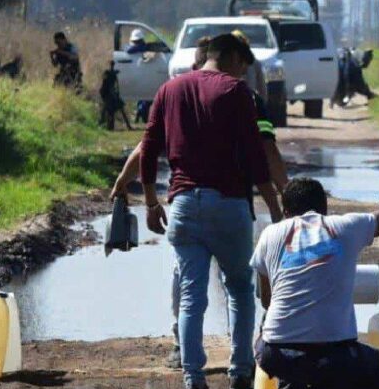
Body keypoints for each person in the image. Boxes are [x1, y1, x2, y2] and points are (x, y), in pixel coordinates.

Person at [112, 34, 288, 370]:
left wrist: (149, 201)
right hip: (229, 204)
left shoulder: (169, 90)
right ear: (234, 58)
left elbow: (148, 148)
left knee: (192, 294)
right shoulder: (238, 93)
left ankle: (192, 379)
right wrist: (276, 206)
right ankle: (240, 374)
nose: (242, 75)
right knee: (238, 289)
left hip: (183, 205)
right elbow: (256, 155)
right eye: (243, 67)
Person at [253, 178, 379, 389]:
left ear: (286, 212)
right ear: (324, 209)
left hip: (274, 354)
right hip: (333, 354)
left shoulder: (270, 234)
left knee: (273, 325)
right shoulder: (345, 226)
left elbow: (267, 298)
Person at [99, 61, 133, 131]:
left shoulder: (111, 74)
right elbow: (110, 86)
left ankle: (103, 124)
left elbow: (115, 86)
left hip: (110, 95)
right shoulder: (110, 74)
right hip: (109, 95)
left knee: (109, 110)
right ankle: (104, 125)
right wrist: (114, 94)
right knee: (109, 110)